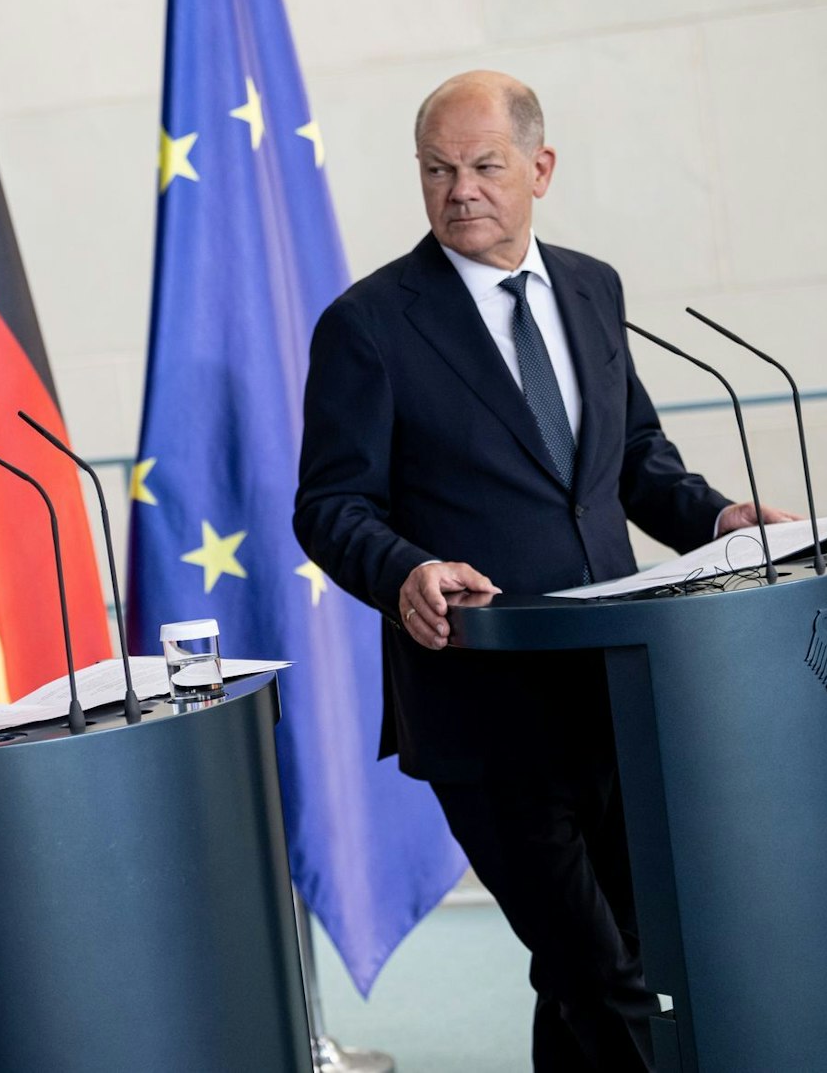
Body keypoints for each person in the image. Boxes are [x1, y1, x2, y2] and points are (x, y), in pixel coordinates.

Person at [293, 71, 796, 1071]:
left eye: (484, 165)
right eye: (437, 170)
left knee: (591, 966)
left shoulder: (591, 287)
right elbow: (329, 505)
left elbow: (632, 458)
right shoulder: (370, 323)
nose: (460, 190)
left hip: (617, 691)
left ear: (540, 167)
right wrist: (405, 570)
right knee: (602, 974)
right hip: (484, 704)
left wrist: (717, 518)